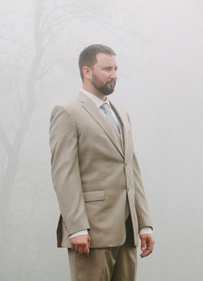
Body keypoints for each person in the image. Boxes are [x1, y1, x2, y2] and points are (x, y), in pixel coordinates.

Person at [49, 44, 154, 281]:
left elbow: (132, 170)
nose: (114, 74)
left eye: (116, 69)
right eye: (107, 69)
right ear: (87, 71)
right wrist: (76, 227)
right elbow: (64, 174)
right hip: (90, 234)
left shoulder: (122, 115)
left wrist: (144, 224)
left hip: (127, 233)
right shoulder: (67, 112)